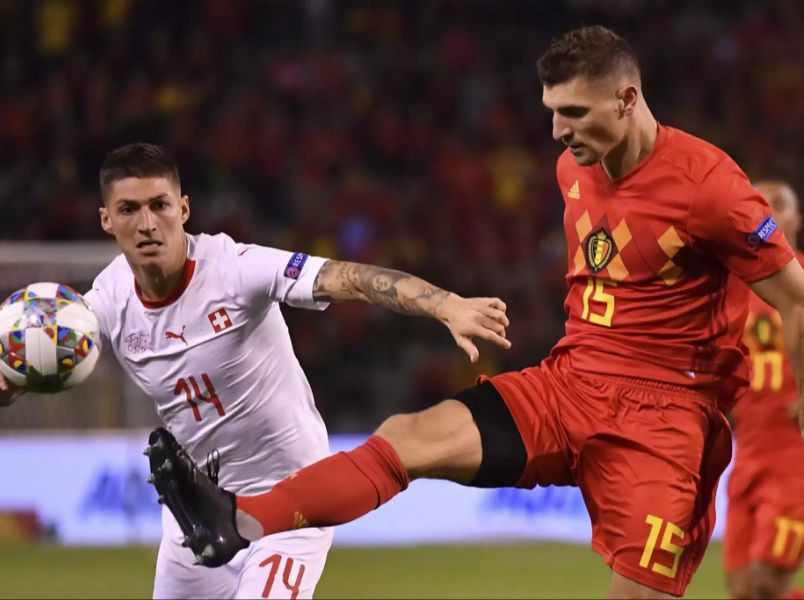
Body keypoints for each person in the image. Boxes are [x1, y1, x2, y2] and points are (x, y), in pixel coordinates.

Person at [173, 26, 804, 599]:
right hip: (572, 382)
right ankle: (240, 520)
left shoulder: (710, 187)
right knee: (407, 436)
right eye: (553, 113)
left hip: (665, 418)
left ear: (627, 99)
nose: (559, 131)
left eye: (575, 113)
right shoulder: (572, 169)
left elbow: (796, 300)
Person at [0, 143, 511, 599]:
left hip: (292, 499)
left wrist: (445, 305)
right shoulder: (104, 303)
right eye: (129, 209)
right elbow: (35, 359)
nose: (147, 223)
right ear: (106, 219)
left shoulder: (237, 269)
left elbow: (347, 277)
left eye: (160, 205)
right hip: (198, 509)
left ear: (183, 208)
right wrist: (4, 384)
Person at [723, 180, 804, 600]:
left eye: (778, 207)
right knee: (741, 591)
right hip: (746, 453)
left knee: (766, 585)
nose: (768, 216)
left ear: (796, 220)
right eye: (760, 207)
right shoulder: (728, 286)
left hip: (795, 457)